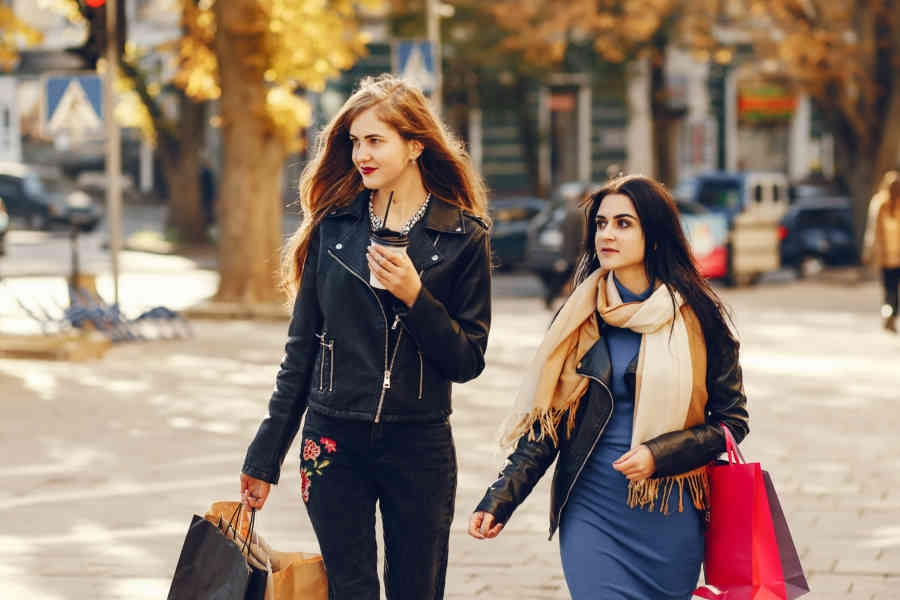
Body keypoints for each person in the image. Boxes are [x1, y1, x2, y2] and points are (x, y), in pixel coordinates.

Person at [239, 75, 492, 600]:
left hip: (418, 443)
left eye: (375, 140)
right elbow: (301, 352)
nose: (361, 154)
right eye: (354, 141)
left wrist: (415, 296)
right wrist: (265, 457)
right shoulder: (334, 230)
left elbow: (467, 360)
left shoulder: (463, 238)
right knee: (349, 590)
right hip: (333, 441)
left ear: (414, 145)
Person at [468, 175, 749, 599]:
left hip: (669, 510)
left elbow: (732, 423)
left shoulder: (700, 318)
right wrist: (501, 496)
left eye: (623, 223)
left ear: (653, 235)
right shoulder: (577, 319)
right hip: (592, 506)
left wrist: (661, 454)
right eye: (601, 224)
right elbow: (549, 424)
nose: (607, 234)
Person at [863, 170, 900, 333]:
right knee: (893, 290)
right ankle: (891, 314)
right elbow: (873, 232)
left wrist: (868, 251)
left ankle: (888, 313)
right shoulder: (880, 204)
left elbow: (871, 232)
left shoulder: (878, 203)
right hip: (891, 256)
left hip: (887, 256)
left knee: (888, 289)